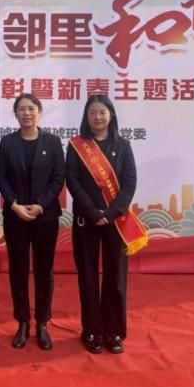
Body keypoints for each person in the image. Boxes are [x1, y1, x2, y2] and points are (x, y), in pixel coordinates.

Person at [65, 94, 138, 355]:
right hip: (86, 220)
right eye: (92, 113)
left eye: (102, 112)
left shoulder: (123, 145)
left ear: (111, 115)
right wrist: (93, 211)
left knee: (115, 277)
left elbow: (129, 182)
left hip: (116, 221)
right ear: (86, 117)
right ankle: (92, 330)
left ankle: (114, 331)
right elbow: (72, 181)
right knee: (87, 277)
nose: (97, 117)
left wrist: (113, 211)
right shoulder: (77, 146)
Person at [0, 93, 64, 350]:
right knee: (19, 270)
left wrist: (40, 205)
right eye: (21, 109)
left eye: (31, 108)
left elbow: (58, 178)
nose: (26, 113)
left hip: (45, 217)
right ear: (15, 114)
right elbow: (1, 176)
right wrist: (13, 204)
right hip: (15, 217)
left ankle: (42, 322)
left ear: (39, 112)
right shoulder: (7, 142)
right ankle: (23, 321)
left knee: (44, 270)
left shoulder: (53, 142)